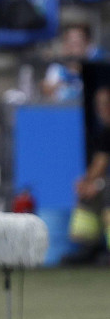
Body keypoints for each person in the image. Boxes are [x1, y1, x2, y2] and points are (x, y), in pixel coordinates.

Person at [64, 86, 110, 265]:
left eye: (104, 105)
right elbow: (100, 162)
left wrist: (98, 184)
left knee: (105, 190)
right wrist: (86, 182)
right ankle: (88, 248)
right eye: (99, 106)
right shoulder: (106, 133)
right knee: (89, 192)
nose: (101, 111)